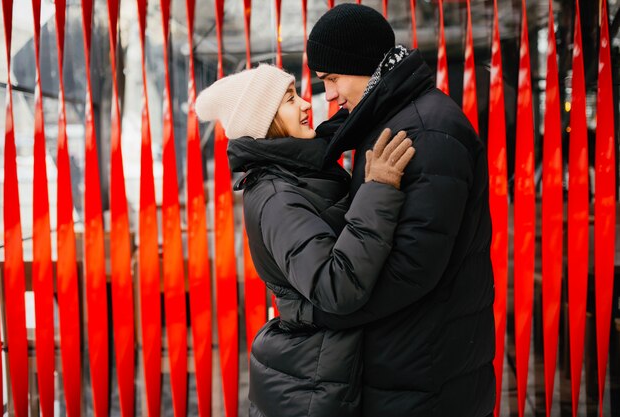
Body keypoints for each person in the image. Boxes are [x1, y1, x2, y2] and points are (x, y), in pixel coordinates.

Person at [277, 4, 496, 417]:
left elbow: (411, 268)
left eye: (332, 79)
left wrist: (320, 311)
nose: (331, 95)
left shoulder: (422, 132)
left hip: (426, 377)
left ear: (361, 64)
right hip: (415, 365)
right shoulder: (393, 120)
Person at [194, 63, 415, 417]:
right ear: (265, 123)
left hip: (327, 364)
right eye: (289, 99)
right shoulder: (277, 196)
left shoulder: (302, 172)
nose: (306, 104)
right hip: (313, 379)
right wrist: (378, 192)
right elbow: (335, 286)